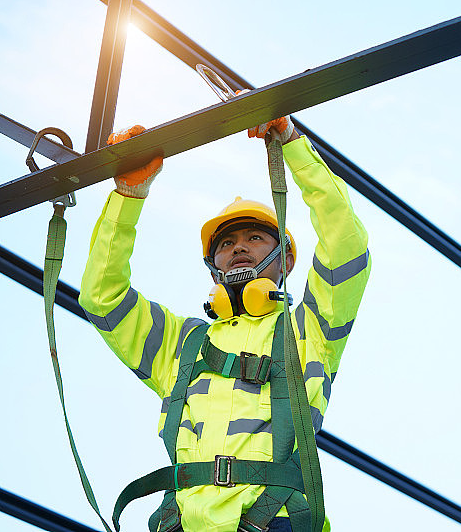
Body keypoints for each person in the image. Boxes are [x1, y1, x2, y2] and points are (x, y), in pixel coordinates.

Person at [79, 116, 371, 532]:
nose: (239, 248)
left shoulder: (311, 331)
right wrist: (128, 196)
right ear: (212, 265)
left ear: (286, 261)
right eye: (227, 243)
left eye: (255, 238)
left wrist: (292, 145)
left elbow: (346, 246)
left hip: (276, 521)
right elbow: (101, 296)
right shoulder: (182, 344)